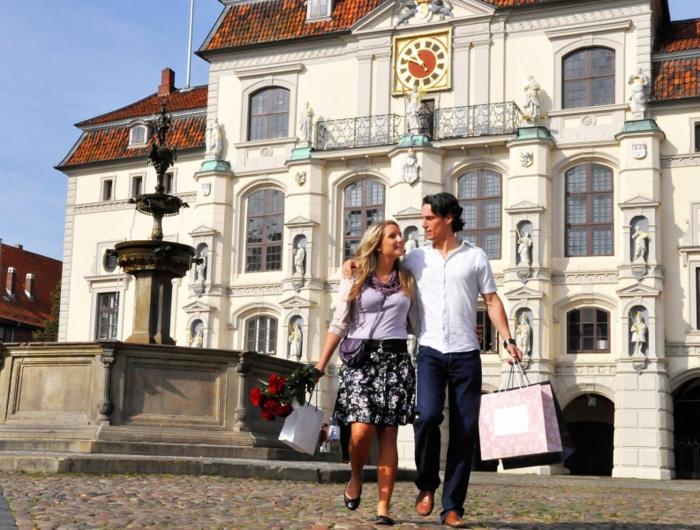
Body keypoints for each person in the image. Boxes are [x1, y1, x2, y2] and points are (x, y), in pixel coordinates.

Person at [343, 193, 522, 528]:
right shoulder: (416, 259)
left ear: (447, 218)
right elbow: (380, 263)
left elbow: (492, 300)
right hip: (429, 351)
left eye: (428, 218)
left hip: (467, 353)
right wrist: (352, 262)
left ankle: (452, 507)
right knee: (425, 417)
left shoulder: (475, 256)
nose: (422, 225)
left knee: (465, 431)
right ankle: (427, 483)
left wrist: (508, 339)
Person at [315, 220, 419, 526]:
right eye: (393, 236)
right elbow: (340, 323)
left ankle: (383, 506)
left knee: (389, 433)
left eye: (400, 235)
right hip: (361, 361)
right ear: (377, 243)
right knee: (361, 432)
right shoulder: (356, 276)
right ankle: (357, 474)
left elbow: (417, 323)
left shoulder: (407, 278)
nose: (400, 239)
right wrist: (320, 365)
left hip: (396, 360)